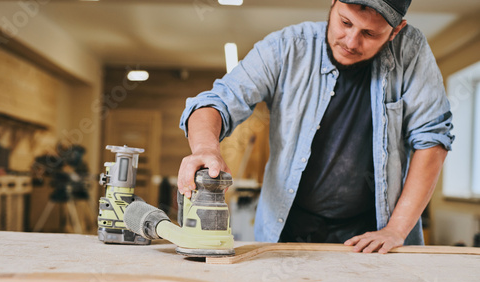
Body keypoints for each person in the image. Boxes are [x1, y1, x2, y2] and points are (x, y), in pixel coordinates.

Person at [177, 0, 454, 253]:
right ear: (333, 4)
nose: (351, 41)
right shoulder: (286, 47)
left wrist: (395, 229)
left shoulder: (411, 50)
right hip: (288, 229)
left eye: (370, 34)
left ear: (395, 31)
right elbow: (218, 101)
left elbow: (432, 138)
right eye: (345, 23)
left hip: (374, 234)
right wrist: (205, 148)